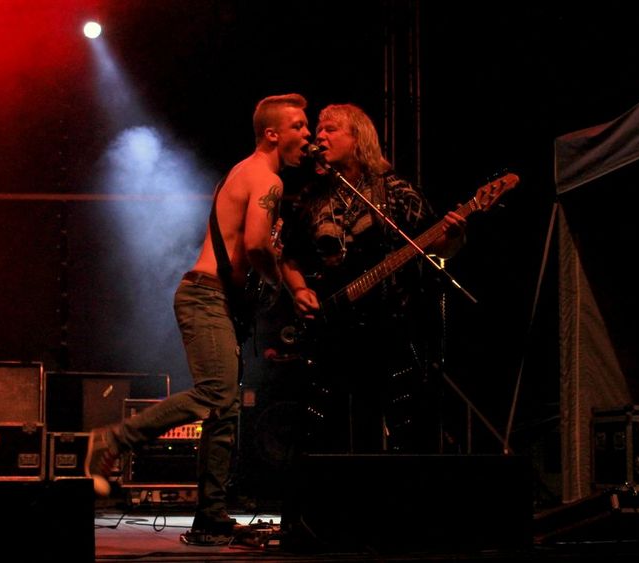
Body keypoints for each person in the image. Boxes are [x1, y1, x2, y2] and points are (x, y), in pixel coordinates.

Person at [84, 93, 311, 543]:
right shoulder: (266, 178)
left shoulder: (244, 171)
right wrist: (278, 286)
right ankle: (113, 439)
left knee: (224, 410)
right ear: (272, 134)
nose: (308, 135)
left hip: (214, 298)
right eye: (299, 126)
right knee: (215, 395)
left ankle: (210, 518)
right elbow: (257, 245)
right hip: (206, 297)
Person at [279, 102, 467, 455]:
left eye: (330, 129)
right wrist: (299, 289)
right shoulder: (311, 197)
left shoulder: (395, 190)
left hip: (392, 330)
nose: (320, 136)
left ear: (358, 137)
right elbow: (288, 256)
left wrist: (455, 235)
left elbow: (437, 245)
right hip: (334, 330)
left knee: (403, 424)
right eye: (318, 130)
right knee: (331, 427)